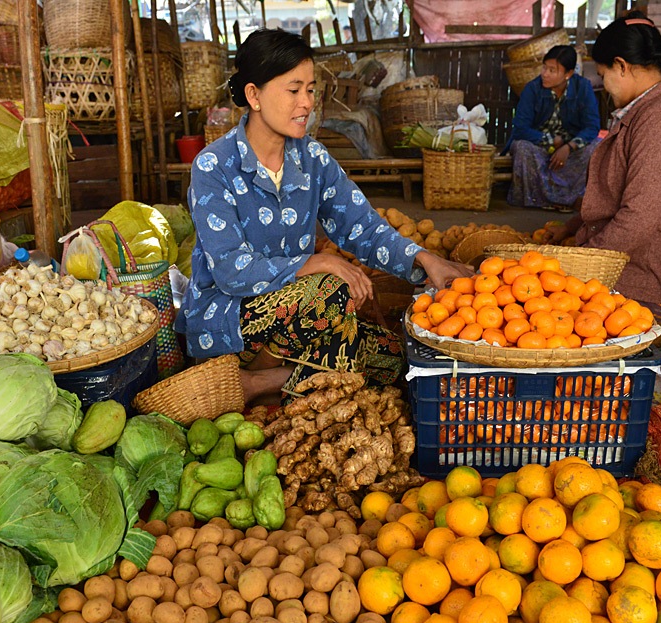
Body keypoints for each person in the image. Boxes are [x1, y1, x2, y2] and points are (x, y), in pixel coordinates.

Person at [177, 29, 472, 404]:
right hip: (232, 320)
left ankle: (261, 382)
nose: (306, 103)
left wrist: (424, 258)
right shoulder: (214, 166)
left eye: (311, 90)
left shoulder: (311, 158)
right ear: (254, 95)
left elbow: (362, 227)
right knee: (331, 288)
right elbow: (232, 270)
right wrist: (316, 262)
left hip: (306, 315)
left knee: (393, 359)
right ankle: (249, 370)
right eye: (293, 89)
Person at [551, 13, 661, 320]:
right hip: (636, 268)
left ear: (621, 65)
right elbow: (622, 195)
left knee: (552, 312)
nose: (605, 87)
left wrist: (577, 264)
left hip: (653, 283)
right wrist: (572, 227)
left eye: (604, 75)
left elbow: (638, 219)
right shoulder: (645, 110)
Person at [505, 45, 601, 212]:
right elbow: (520, 128)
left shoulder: (583, 88)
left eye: (552, 70)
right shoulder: (532, 89)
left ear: (568, 74)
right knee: (521, 147)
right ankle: (541, 200)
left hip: (569, 148)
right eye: (544, 67)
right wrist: (551, 141)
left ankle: (573, 200)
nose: (545, 74)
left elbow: (592, 126)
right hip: (539, 147)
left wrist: (568, 147)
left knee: (596, 147)